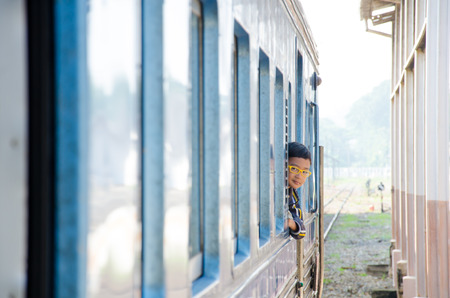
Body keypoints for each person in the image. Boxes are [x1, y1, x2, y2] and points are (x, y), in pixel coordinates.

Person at [286, 142, 311, 240]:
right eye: (294, 169)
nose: (299, 176)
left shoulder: (293, 195)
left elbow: (302, 232)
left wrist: (292, 223)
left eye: (304, 172)